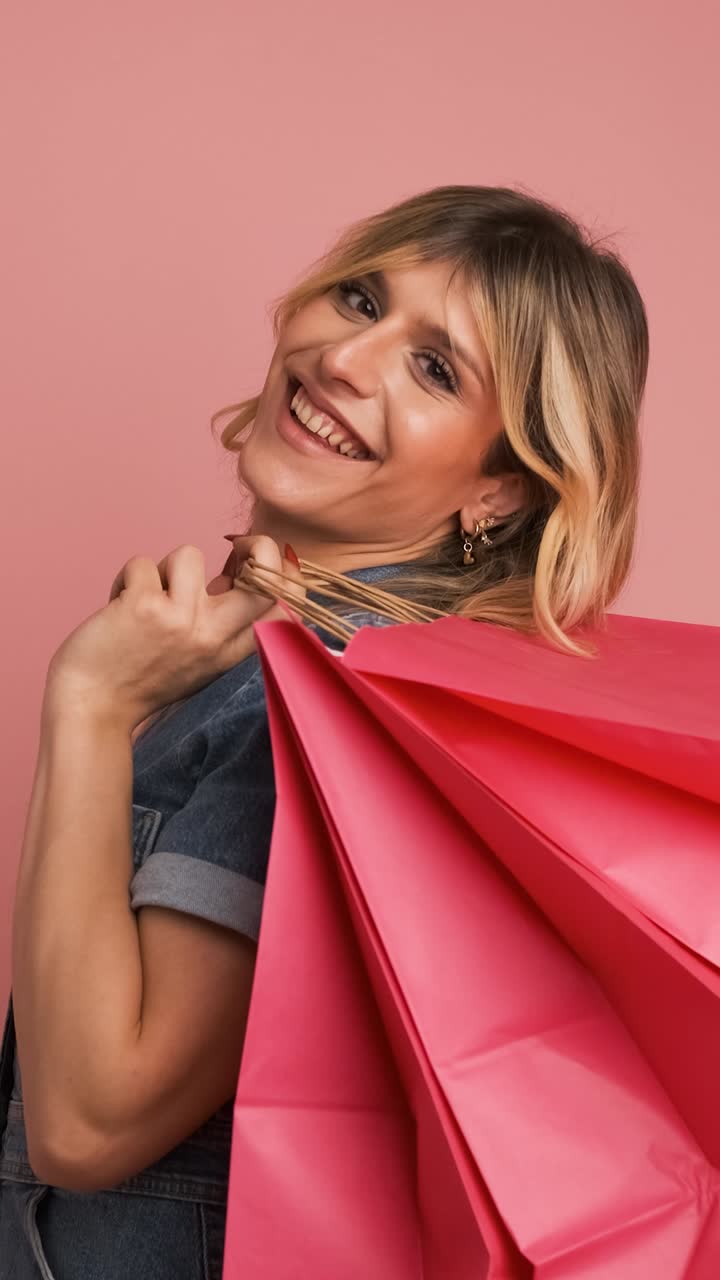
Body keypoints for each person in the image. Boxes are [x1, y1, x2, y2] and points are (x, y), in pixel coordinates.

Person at [0, 183, 648, 1279]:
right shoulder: (287, 674)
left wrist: (90, 702)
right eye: (359, 299)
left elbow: (91, 1122)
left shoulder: (310, 713)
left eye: (437, 367)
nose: (348, 358)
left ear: (501, 489)